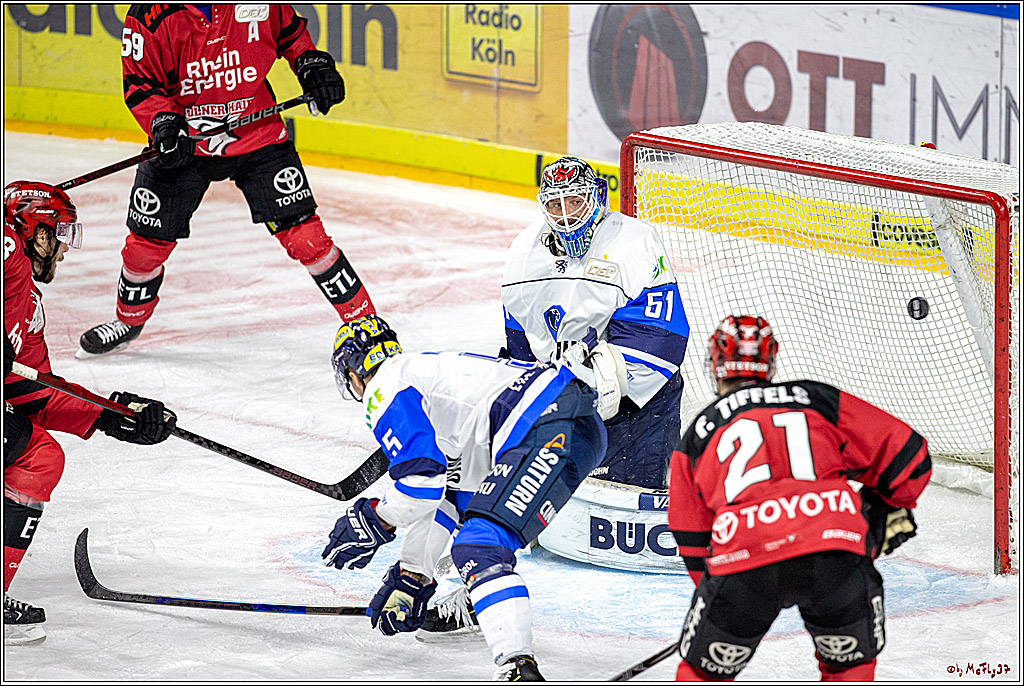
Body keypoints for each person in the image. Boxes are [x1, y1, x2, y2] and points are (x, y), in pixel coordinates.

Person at [320, 315, 618, 680]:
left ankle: (518, 669)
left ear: (352, 372)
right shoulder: (430, 377)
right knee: (482, 530)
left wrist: (376, 520)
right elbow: (448, 497)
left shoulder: (384, 386)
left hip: (545, 424)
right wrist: (414, 574)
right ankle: (498, 626)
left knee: (479, 547)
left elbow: (420, 482)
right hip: (579, 427)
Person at [78, 4, 375, 357]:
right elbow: (140, 85)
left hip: (257, 135)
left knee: (308, 238)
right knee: (144, 248)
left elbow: (291, 34)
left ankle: (367, 326)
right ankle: (129, 321)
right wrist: (163, 124)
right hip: (184, 143)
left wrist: (311, 64)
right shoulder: (149, 16)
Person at [667, 315, 931, 681]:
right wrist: (882, 511)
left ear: (715, 365)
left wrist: (718, 595)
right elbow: (910, 457)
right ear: (771, 361)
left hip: (746, 561)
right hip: (836, 553)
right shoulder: (816, 398)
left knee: (702, 675)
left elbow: (690, 533)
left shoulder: (698, 432)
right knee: (850, 669)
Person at [4, 181, 177, 646]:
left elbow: (35, 391)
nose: (61, 251)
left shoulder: (28, 309)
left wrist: (111, 414)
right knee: (36, 455)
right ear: (37, 232)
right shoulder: (7, 250)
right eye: (58, 235)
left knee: (38, 455)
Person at [500, 156, 689, 490]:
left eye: (575, 201)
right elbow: (520, 347)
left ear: (598, 197)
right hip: (565, 399)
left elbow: (662, 343)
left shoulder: (634, 243)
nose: (567, 214)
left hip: (639, 405)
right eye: (555, 204)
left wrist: (584, 393)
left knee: (631, 506)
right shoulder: (522, 257)